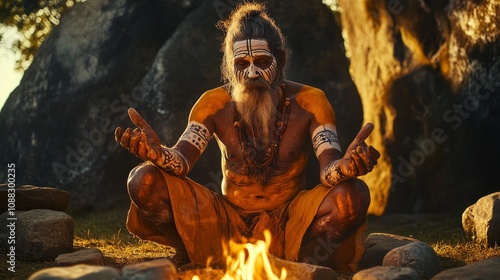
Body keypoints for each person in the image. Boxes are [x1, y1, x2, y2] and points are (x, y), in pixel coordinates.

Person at [115, 2, 380, 272]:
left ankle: (302, 265)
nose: (252, 74)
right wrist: (158, 154)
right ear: (230, 67)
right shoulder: (213, 103)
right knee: (143, 180)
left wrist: (345, 167)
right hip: (224, 223)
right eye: (242, 64)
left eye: (262, 62)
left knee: (353, 194)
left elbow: (328, 169)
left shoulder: (311, 102)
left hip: (291, 223)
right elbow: (182, 161)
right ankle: (190, 250)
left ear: (281, 61)